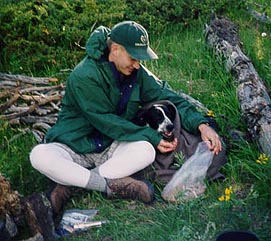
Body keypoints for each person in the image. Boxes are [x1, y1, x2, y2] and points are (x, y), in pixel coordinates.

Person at [29, 21, 225, 224]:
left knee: (145, 151)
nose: (138, 65)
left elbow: (169, 96)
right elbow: (106, 121)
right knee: (39, 156)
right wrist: (151, 135)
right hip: (75, 145)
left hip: (112, 146)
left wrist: (202, 125)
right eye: (133, 57)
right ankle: (109, 184)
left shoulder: (137, 73)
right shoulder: (84, 75)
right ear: (115, 49)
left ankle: (71, 184)